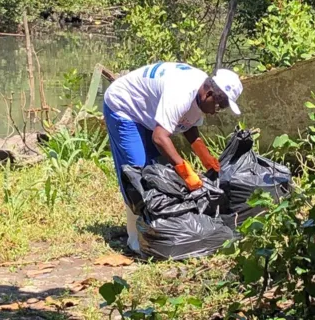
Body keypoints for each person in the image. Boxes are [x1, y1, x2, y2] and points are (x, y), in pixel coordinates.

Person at [103, 62, 243, 252]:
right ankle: (135, 238)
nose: (215, 112)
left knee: (152, 170)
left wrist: (204, 155)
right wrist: (186, 172)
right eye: (218, 106)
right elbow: (160, 138)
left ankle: (152, 228)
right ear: (209, 94)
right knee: (136, 172)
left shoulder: (200, 92)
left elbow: (188, 125)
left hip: (148, 114)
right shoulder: (181, 92)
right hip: (124, 106)